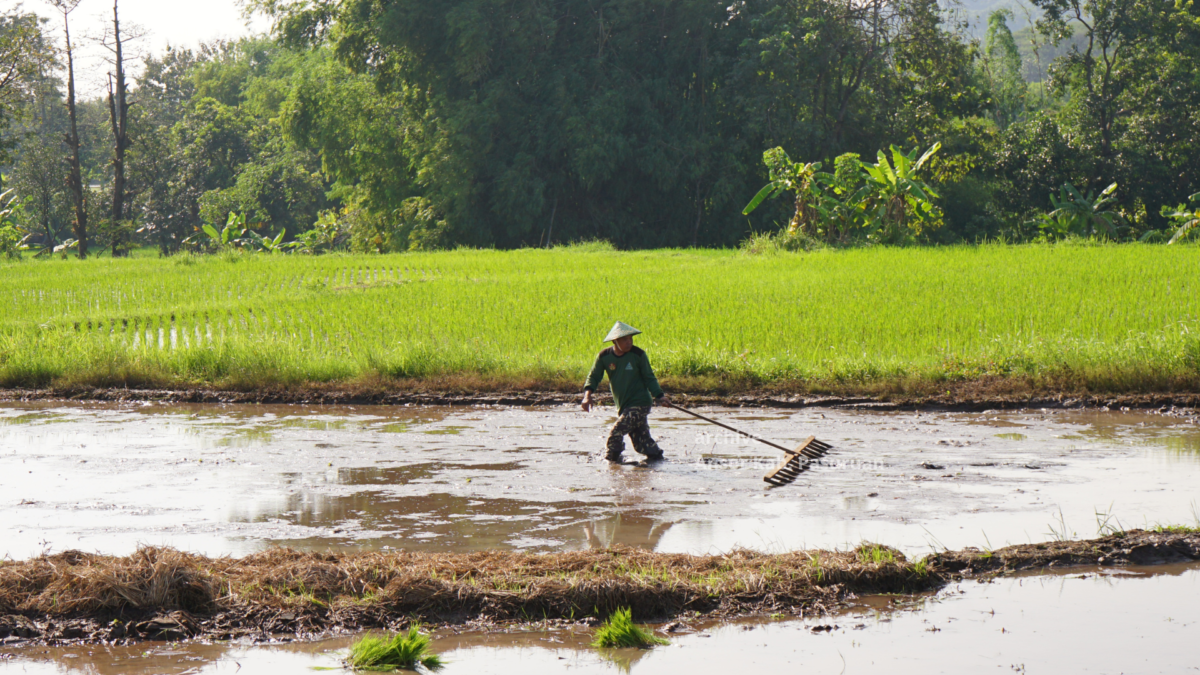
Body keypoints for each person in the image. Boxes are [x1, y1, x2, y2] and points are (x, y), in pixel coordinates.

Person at [582, 321, 670, 462]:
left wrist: (660, 396)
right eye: (625, 340)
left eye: (630, 339)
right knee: (641, 442)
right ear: (615, 341)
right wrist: (587, 396)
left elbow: (649, 378)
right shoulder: (604, 356)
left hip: (640, 403)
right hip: (624, 405)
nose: (629, 342)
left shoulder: (638, 355)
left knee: (615, 433)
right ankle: (656, 457)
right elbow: (594, 377)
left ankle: (612, 462)